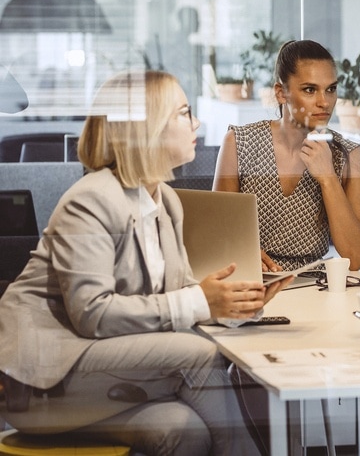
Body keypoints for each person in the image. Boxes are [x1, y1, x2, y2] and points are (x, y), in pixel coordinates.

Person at [0, 70, 288, 455]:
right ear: (149, 128)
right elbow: (93, 314)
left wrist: (234, 304)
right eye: (184, 113)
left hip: (103, 374)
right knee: (198, 353)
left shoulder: (164, 201)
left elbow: (179, 296)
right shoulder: (91, 200)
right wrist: (200, 301)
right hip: (41, 383)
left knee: (182, 428)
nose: (196, 124)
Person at [212, 39, 360, 272]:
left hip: (315, 289)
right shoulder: (239, 144)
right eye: (310, 90)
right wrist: (242, 253)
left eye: (331, 89)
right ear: (281, 93)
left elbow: (356, 258)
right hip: (251, 281)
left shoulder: (349, 155)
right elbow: (216, 237)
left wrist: (328, 178)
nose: (324, 102)